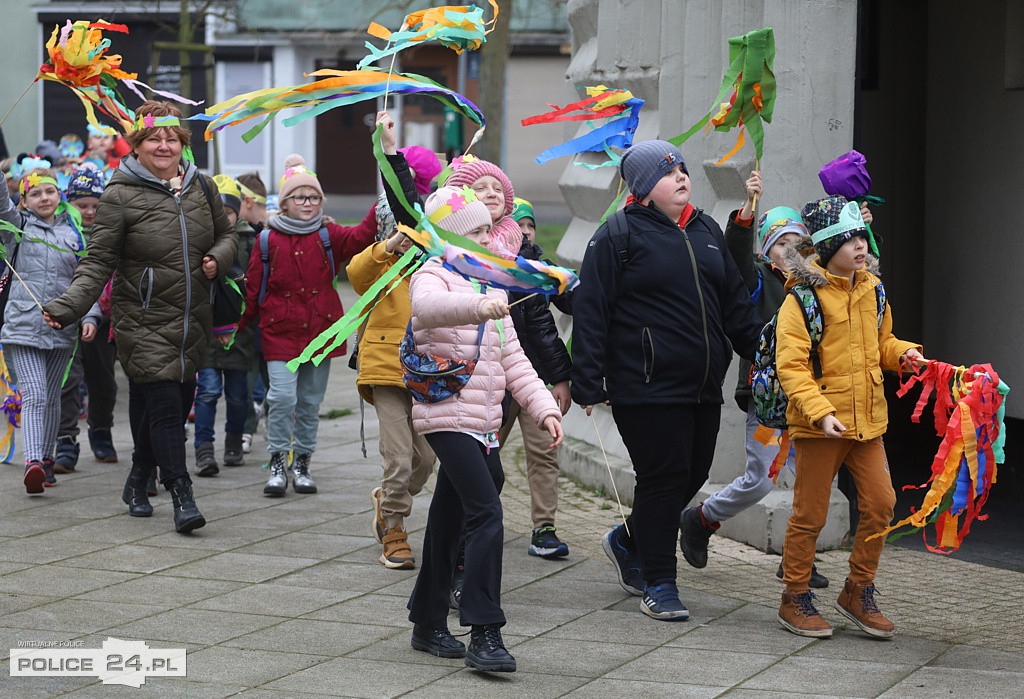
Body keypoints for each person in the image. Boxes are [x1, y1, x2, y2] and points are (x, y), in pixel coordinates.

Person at [571, 139, 762, 621]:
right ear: (640, 187)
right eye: (666, 172)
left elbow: (735, 305)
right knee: (663, 479)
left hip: (701, 383)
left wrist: (767, 353)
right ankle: (660, 582)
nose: (680, 176)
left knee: (692, 474)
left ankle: (627, 539)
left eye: (681, 168)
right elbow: (592, 311)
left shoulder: (706, 231)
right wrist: (586, 380)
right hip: (645, 384)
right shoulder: (617, 234)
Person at [44, 100, 238, 533]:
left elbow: (228, 236)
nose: (164, 145)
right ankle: (182, 496)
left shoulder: (201, 187)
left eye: (172, 138)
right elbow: (97, 262)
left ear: (182, 143)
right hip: (143, 319)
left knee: (170, 407)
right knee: (167, 409)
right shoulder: (119, 193)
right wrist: (68, 307)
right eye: (155, 138)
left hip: (193, 320)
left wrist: (216, 259)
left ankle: (136, 480)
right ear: (137, 144)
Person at [405, 185, 563, 673]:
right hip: (444, 412)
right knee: (487, 510)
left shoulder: (491, 286)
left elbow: (514, 360)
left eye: (486, 231)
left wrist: (543, 409)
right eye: (474, 232)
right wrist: (478, 308)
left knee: (451, 515)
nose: (486, 239)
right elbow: (426, 310)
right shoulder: (433, 274)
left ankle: (428, 621)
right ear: (450, 238)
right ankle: (485, 631)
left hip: (482, 421)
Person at [775, 195, 923, 639]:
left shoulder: (872, 290)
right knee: (811, 515)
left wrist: (903, 354)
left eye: (862, 236)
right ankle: (793, 596)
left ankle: (858, 590)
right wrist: (820, 414)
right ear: (824, 246)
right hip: (820, 424)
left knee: (882, 505)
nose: (861, 246)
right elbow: (791, 366)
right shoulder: (801, 300)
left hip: (868, 422)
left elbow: (882, 343)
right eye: (848, 238)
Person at [677, 172, 829, 588]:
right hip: (769, 399)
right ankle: (702, 518)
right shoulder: (758, 279)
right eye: (781, 242)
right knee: (761, 480)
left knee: (811, 481)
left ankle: (799, 557)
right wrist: (747, 212)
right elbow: (738, 259)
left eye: (799, 243)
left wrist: (863, 228)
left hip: (811, 398)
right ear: (767, 249)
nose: (790, 250)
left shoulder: (817, 286)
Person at [238, 154, 376, 497]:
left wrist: (385, 197)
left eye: (314, 197)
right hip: (279, 331)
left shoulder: (329, 234)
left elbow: (363, 236)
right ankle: (276, 462)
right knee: (282, 397)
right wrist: (236, 329)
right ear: (285, 202)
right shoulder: (268, 240)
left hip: (320, 331)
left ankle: (302, 462)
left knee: (310, 402)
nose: (308, 203)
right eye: (300, 196)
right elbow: (253, 289)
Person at [355, 120, 439, 570]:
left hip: (427, 371)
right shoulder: (384, 261)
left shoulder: (440, 263)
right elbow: (355, 275)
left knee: (424, 460)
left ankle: (386, 501)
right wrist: (388, 248)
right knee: (399, 459)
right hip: (386, 369)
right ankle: (393, 527)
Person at [1, 167, 100, 493]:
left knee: (53, 397)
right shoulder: (18, 227)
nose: (44, 198)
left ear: (59, 196)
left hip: (61, 328)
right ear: (25, 201)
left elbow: (86, 282)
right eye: (35, 193)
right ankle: (32, 462)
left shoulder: (74, 234)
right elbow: (2, 204)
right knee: (35, 394)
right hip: (23, 327)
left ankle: (45, 459)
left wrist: (90, 316)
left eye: (49, 191)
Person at [498, 196, 574, 558]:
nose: (526, 232)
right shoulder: (489, 265)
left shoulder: (541, 269)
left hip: (536, 379)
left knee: (544, 452)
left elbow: (557, 318)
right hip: (496, 378)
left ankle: (544, 528)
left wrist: (561, 378)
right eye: (519, 225)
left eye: (530, 225)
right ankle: (475, 519)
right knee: (485, 451)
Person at [53, 166, 120, 473]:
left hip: (105, 317)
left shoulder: (113, 230)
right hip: (69, 315)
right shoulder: (62, 232)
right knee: (68, 380)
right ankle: (66, 440)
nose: (90, 212)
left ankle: (101, 431)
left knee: (103, 380)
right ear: (70, 204)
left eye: (96, 205)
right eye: (83, 206)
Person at [192, 175, 257, 476]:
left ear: (237, 212)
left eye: (227, 212)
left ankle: (233, 441)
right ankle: (203, 448)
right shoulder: (194, 243)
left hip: (239, 334)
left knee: (237, 394)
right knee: (205, 391)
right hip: (204, 333)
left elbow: (254, 289)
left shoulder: (251, 243)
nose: (222, 218)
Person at [235, 172, 270, 455]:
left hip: (270, 323)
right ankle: (245, 430)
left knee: (278, 386)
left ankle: (273, 423)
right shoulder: (232, 235)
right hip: (246, 324)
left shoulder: (271, 232)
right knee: (244, 385)